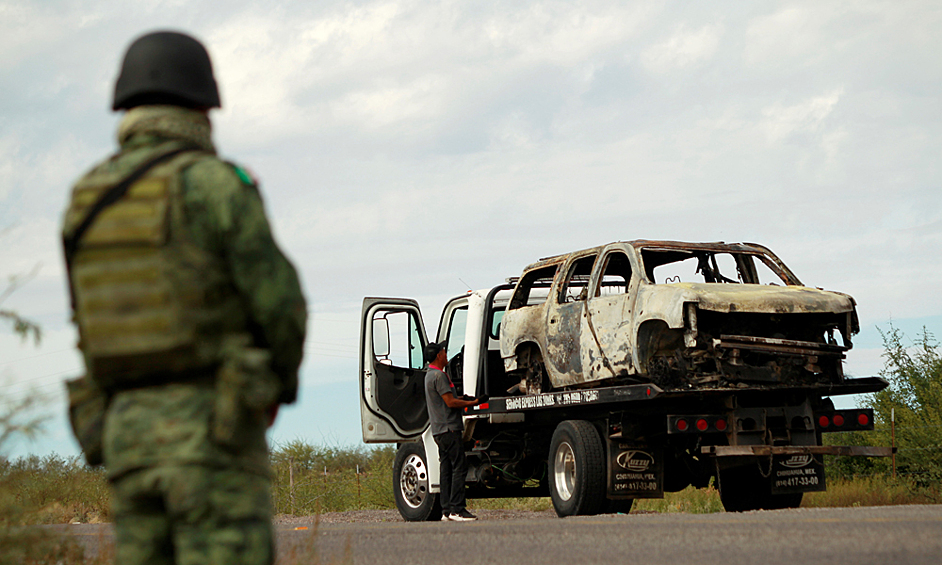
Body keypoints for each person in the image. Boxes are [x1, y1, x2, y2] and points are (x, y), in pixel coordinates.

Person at [61, 30, 307, 565]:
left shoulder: (85, 200)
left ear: (124, 103)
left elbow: (89, 323)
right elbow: (280, 306)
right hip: (214, 432)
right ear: (203, 103)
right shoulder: (216, 185)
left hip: (125, 440)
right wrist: (275, 390)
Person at [423, 342, 486, 522]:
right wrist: (473, 403)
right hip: (449, 428)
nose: (446, 354)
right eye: (443, 352)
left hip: (438, 430)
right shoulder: (439, 376)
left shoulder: (429, 376)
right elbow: (450, 403)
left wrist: (463, 398)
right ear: (438, 356)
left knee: (446, 468)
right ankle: (458, 509)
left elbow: (447, 399)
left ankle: (446, 510)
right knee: (460, 466)